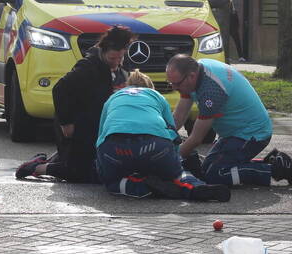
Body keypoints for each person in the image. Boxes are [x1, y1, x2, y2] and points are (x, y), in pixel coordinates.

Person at [166, 55, 292, 190]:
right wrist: (163, 139)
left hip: (251, 134)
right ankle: (271, 163)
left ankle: (275, 170)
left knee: (215, 175)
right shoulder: (196, 70)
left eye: (176, 84)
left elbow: (196, 138)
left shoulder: (212, 90)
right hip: (236, 133)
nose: (174, 88)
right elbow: (179, 116)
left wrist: (171, 159)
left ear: (191, 76)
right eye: (171, 83)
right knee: (206, 169)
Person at [15, 25, 131, 181]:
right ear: (103, 52)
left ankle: (61, 159)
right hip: (77, 126)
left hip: (99, 128)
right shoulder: (87, 67)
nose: (116, 63)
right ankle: (35, 167)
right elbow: (60, 90)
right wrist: (66, 122)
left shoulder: (119, 70)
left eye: (120, 58)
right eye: (112, 59)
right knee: (78, 173)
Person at [95, 70, 230, 201]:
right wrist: (175, 160)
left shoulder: (113, 98)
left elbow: (100, 137)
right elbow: (172, 133)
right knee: (177, 174)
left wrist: (103, 165)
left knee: (112, 181)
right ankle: (194, 187)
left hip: (116, 147)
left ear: (127, 85)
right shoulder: (156, 96)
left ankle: (142, 187)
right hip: (155, 145)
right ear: (150, 87)